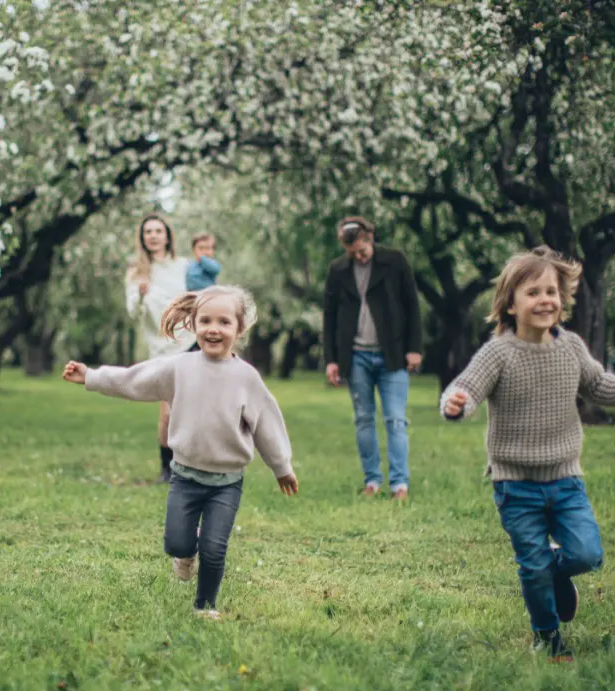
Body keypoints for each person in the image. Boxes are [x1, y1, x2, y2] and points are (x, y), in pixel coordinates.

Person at [439, 246, 615, 661]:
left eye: (552, 291)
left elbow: (596, 385)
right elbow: (468, 387)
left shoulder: (571, 348)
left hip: (565, 480)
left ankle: (559, 577)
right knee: (532, 565)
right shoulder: (499, 353)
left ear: (562, 300)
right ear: (511, 304)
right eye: (533, 292)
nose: (545, 300)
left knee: (586, 553)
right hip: (515, 485)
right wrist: (456, 403)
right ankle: (548, 637)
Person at [63, 285, 299, 619]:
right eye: (205, 321)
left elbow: (268, 426)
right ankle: (185, 553)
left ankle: (205, 606)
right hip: (185, 478)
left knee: (215, 549)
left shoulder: (246, 378)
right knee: (176, 543)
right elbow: (134, 380)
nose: (213, 329)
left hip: (226, 483)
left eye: (223, 322)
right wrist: (91, 376)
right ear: (193, 325)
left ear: (239, 329)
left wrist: (282, 467)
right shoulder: (179, 368)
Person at [322, 216, 423, 500]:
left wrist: (414, 348)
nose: (359, 255)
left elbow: (412, 304)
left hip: (392, 353)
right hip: (356, 356)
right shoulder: (339, 269)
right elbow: (329, 315)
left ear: (370, 237)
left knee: (395, 419)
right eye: (352, 252)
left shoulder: (394, 261)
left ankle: (399, 484)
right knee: (364, 418)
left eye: (362, 249)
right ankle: (372, 481)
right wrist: (331, 359)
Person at [125, 213, 191, 482]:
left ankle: (194, 466)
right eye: (148, 232)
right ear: (142, 238)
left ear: (167, 236)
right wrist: (140, 296)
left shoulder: (183, 265)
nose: (153, 235)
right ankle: (168, 469)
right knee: (168, 411)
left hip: (192, 341)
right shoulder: (136, 273)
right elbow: (132, 312)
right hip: (163, 348)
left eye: (158, 231)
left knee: (193, 408)